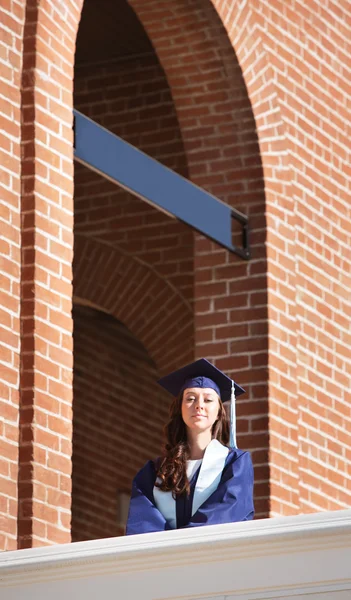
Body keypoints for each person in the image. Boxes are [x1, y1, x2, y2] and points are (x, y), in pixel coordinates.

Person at [126, 358, 254, 535]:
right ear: (180, 409)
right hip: (166, 560)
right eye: (191, 398)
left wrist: (183, 541)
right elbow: (142, 522)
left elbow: (228, 511)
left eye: (208, 400)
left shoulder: (235, 464)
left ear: (219, 412)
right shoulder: (154, 472)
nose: (199, 405)